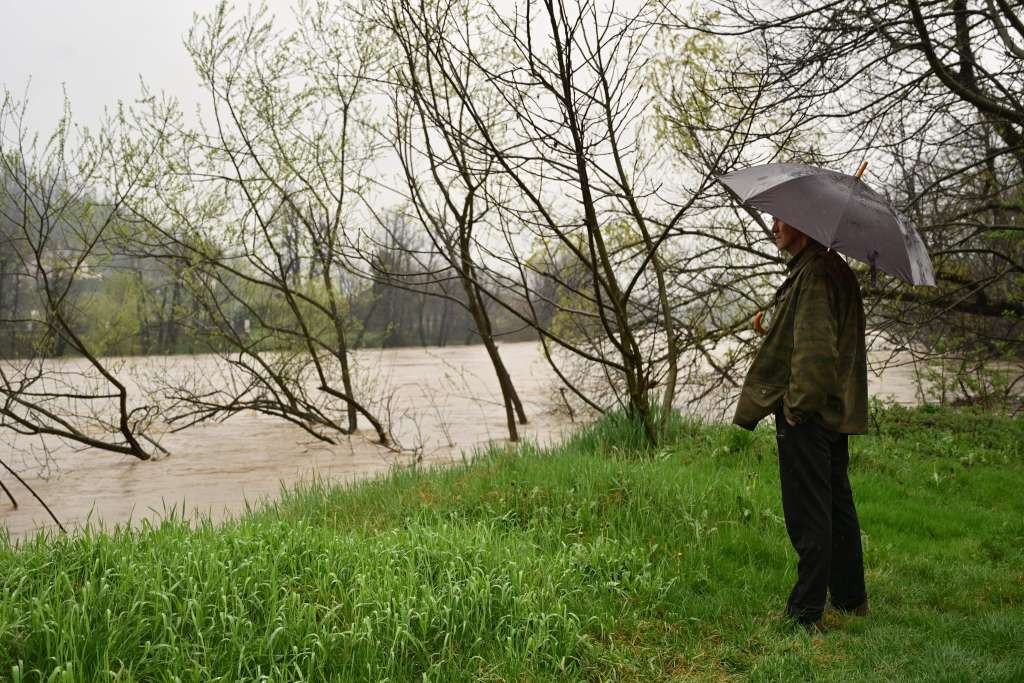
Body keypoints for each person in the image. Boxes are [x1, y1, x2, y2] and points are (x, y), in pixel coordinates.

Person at [733, 217, 870, 634]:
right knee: (835, 506)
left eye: (783, 221)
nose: (775, 227)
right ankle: (850, 598)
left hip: (810, 415)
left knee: (808, 513)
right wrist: (773, 326)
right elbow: (814, 333)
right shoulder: (827, 269)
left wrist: (796, 406)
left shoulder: (814, 274)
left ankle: (805, 612)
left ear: (807, 227)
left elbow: (815, 352)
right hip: (832, 411)